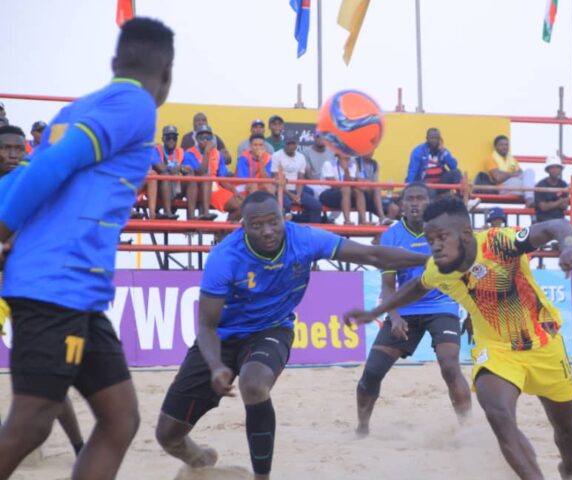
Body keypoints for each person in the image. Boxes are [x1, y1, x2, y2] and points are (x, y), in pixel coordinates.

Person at [0, 18, 174, 479]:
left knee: (120, 418)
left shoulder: (76, 108)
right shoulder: (137, 103)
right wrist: (2, 229)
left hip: (79, 292)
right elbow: (53, 164)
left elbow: (34, 174)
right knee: (32, 423)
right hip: (59, 282)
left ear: (115, 62)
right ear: (167, 74)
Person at [154, 191, 428, 479]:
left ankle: (262, 476)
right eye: (257, 225)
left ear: (285, 218)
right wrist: (215, 366)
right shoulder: (224, 257)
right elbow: (207, 326)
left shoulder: (304, 238)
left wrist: (428, 260)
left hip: (272, 329)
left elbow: (370, 254)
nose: (267, 231)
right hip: (221, 338)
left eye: (273, 222)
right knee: (168, 436)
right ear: (242, 226)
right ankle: (202, 461)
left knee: (254, 384)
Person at [344, 196, 572, 480]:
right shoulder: (437, 268)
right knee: (498, 414)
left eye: (442, 237)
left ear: (466, 234)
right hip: (495, 350)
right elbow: (416, 287)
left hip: (544, 344)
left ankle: (569, 470)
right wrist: (377, 311)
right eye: (431, 239)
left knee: (567, 431)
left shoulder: (499, 242)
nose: (435, 245)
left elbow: (557, 224)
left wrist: (568, 246)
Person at [355, 183, 471, 437]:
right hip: (404, 310)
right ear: (401, 205)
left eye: (420, 198)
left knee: (450, 366)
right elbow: (388, 286)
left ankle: (467, 428)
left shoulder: (443, 233)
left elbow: (466, 273)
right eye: (410, 199)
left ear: (428, 203)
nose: (415, 203)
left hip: (442, 306)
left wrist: (472, 312)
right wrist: (394, 316)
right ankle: (362, 428)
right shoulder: (391, 236)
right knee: (371, 373)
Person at [0, 125, 87, 458]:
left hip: (31, 287)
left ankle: (79, 446)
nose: (12, 154)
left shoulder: (31, 179)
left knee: (50, 377)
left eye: (18, 149)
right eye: (5, 148)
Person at [184, 125, 242, 222]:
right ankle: (206, 213)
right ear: (197, 139)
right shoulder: (189, 153)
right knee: (206, 177)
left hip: (214, 188)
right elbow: (201, 172)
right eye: (202, 137)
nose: (205, 140)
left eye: (208, 137)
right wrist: (207, 152)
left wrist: (234, 190)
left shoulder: (217, 153)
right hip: (196, 189)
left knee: (241, 205)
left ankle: (223, 233)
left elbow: (222, 178)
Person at [270, 133, 322, 223]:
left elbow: (300, 178)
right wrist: (291, 195)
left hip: (297, 189)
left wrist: (297, 195)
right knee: (286, 205)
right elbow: (276, 180)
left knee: (316, 206)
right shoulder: (276, 156)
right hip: (281, 189)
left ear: (297, 143)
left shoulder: (301, 157)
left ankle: (313, 232)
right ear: (284, 143)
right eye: (288, 143)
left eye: (293, 143)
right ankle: (285, 231)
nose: (291, 146)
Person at [405, 128, 462, 195]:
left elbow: (454, 166)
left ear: (440, 139)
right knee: (431, 189)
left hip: (440, 183)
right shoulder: (418, 151)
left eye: (437, 138)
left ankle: (460, 198)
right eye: (432, 138)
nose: (434, 141)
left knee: (456, 172)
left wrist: (445, 153)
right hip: (424, 183)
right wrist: (408, 188)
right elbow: (412, 170)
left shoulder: (443, 151)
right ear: (427, 138)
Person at [485, 135, 536, 210]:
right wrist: (512, 174)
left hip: (516, 185)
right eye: (501, 145)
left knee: (529, 171)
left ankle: (529, 199)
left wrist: (505, 173)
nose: (504, 147)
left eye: (506, 145)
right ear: (496, 147)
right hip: (502, 187)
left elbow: (520, 173)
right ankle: (530, 202)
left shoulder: (512, 159)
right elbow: (498, 178)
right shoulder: (491, 159)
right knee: (533, 188)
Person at [319, 154, 363, 225]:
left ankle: (363, 221)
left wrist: (346, 170)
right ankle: (347, 221)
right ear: (338, 156)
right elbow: (333, 185)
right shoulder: (328, 164)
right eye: (345, 153)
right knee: (346, 189)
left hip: (344, 194)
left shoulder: (352, 165)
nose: (348, 157)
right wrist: (348, 186)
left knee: (358, 191)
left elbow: (351, 184)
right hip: (327, 194)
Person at [355, 153, 389, 224]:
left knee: (393, 208)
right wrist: (369, 183)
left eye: (372, 150)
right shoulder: (356, 162)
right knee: (371, 188)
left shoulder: (375, 164)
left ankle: (382, 219)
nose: (370, 152)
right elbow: (358, 181)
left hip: (370, 190)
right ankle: (364, 220)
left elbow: (376, 181)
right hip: (358, 189)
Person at [533, 156, 568, 222]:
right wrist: (559, 202)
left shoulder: (563, 184)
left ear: (560, 170)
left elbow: (564, 206)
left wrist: (550, 204)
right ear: (548, 170)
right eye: (552, 167)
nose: (555, 170)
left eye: (557, 167)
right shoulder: (540, 185)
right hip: (543, 220)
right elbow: (543, 207)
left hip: (559, 220)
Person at [302, 132, 336, 198]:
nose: (321, 139)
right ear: (314, 138)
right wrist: (321, 184)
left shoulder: (332, 151)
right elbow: (309, 175)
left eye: (323, 137)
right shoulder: (306, 152)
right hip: (314, 184)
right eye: (318, 137)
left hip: (330, 182)